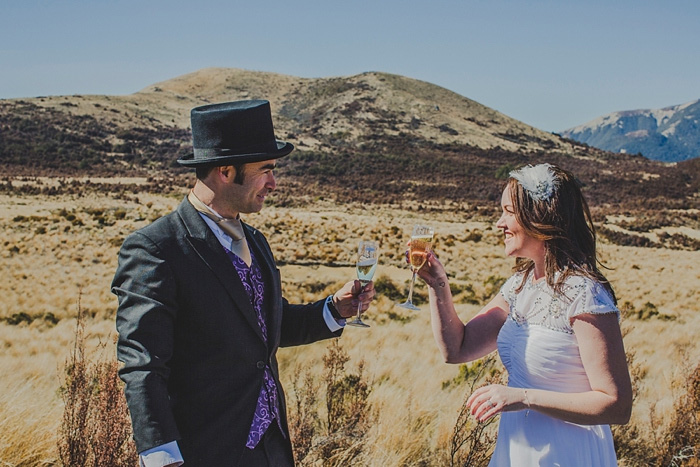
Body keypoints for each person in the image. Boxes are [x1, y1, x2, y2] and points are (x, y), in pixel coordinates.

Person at [112, 100, 375, 467]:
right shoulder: (157, 248)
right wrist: (159, 454)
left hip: (273, 451)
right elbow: (142, 363)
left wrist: (334, 309)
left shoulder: (256, 242)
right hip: (205, 451)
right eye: (265, 170)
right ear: (224, 170)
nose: (274, 183)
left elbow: (261, 328)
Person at [417, 163, 632, 466]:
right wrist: (438, 284)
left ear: (539, 217)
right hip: (517, 451)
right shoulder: (518, 286)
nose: (498, 223)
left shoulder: (585, 294)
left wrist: (522, 397)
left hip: (568, 454)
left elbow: (616, 405)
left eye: (508, 211)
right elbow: (457, 348)